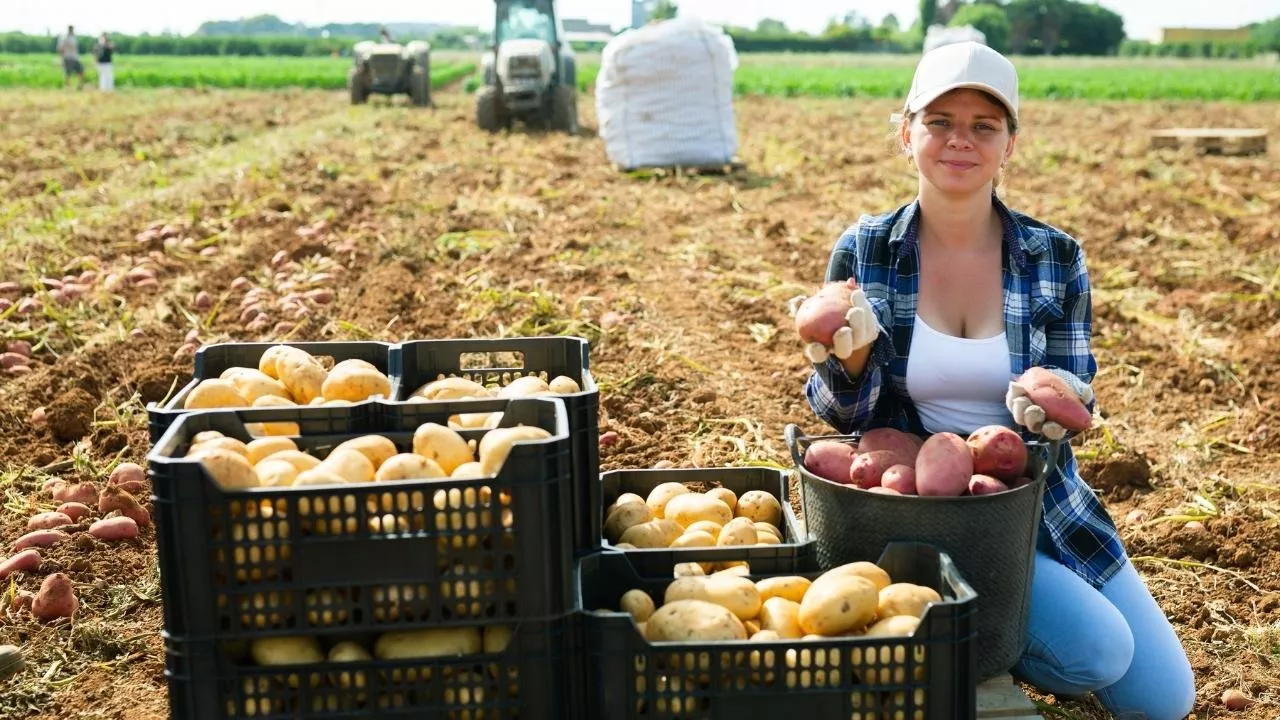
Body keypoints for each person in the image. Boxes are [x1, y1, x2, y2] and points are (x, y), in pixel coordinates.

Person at [795, 41, 1195, 719]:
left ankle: (982, 631)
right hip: (915, 515)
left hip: (1031, 501)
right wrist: (850, 359)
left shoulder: (1053, 255)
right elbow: (845, 418)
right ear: (906, 132)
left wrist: (1058, 403)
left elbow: (1077, 389)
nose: (961, 140)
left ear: (1010, 144)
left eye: (984, 125)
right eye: (940, 121)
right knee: (1097, 654)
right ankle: (970, 650)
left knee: (1163, 700)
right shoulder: (865, 249)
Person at [56, 25, 86, 90]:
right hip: (67, 58)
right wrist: (61, 58)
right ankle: (68, 88)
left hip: (75, 57)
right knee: (68, 74)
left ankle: (79, 86)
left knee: (81, 71)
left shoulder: (74, 37)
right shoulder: (64, 38)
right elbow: (60, 49)